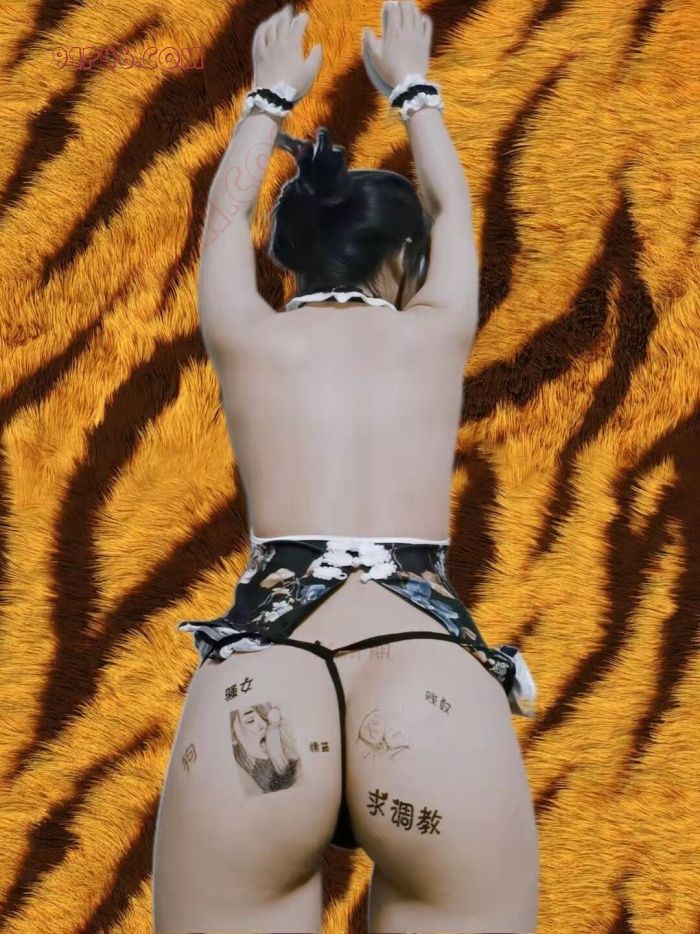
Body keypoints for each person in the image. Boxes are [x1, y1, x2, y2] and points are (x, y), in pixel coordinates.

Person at [152, 3, 539, 932]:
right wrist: (413, 90)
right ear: (404, 259)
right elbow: (454, 209)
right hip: (428, 686)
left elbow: (221, 222)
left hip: (265, 683)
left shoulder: (248, 334)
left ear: (292, 256)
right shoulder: (435, 332)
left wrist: (267, 96)